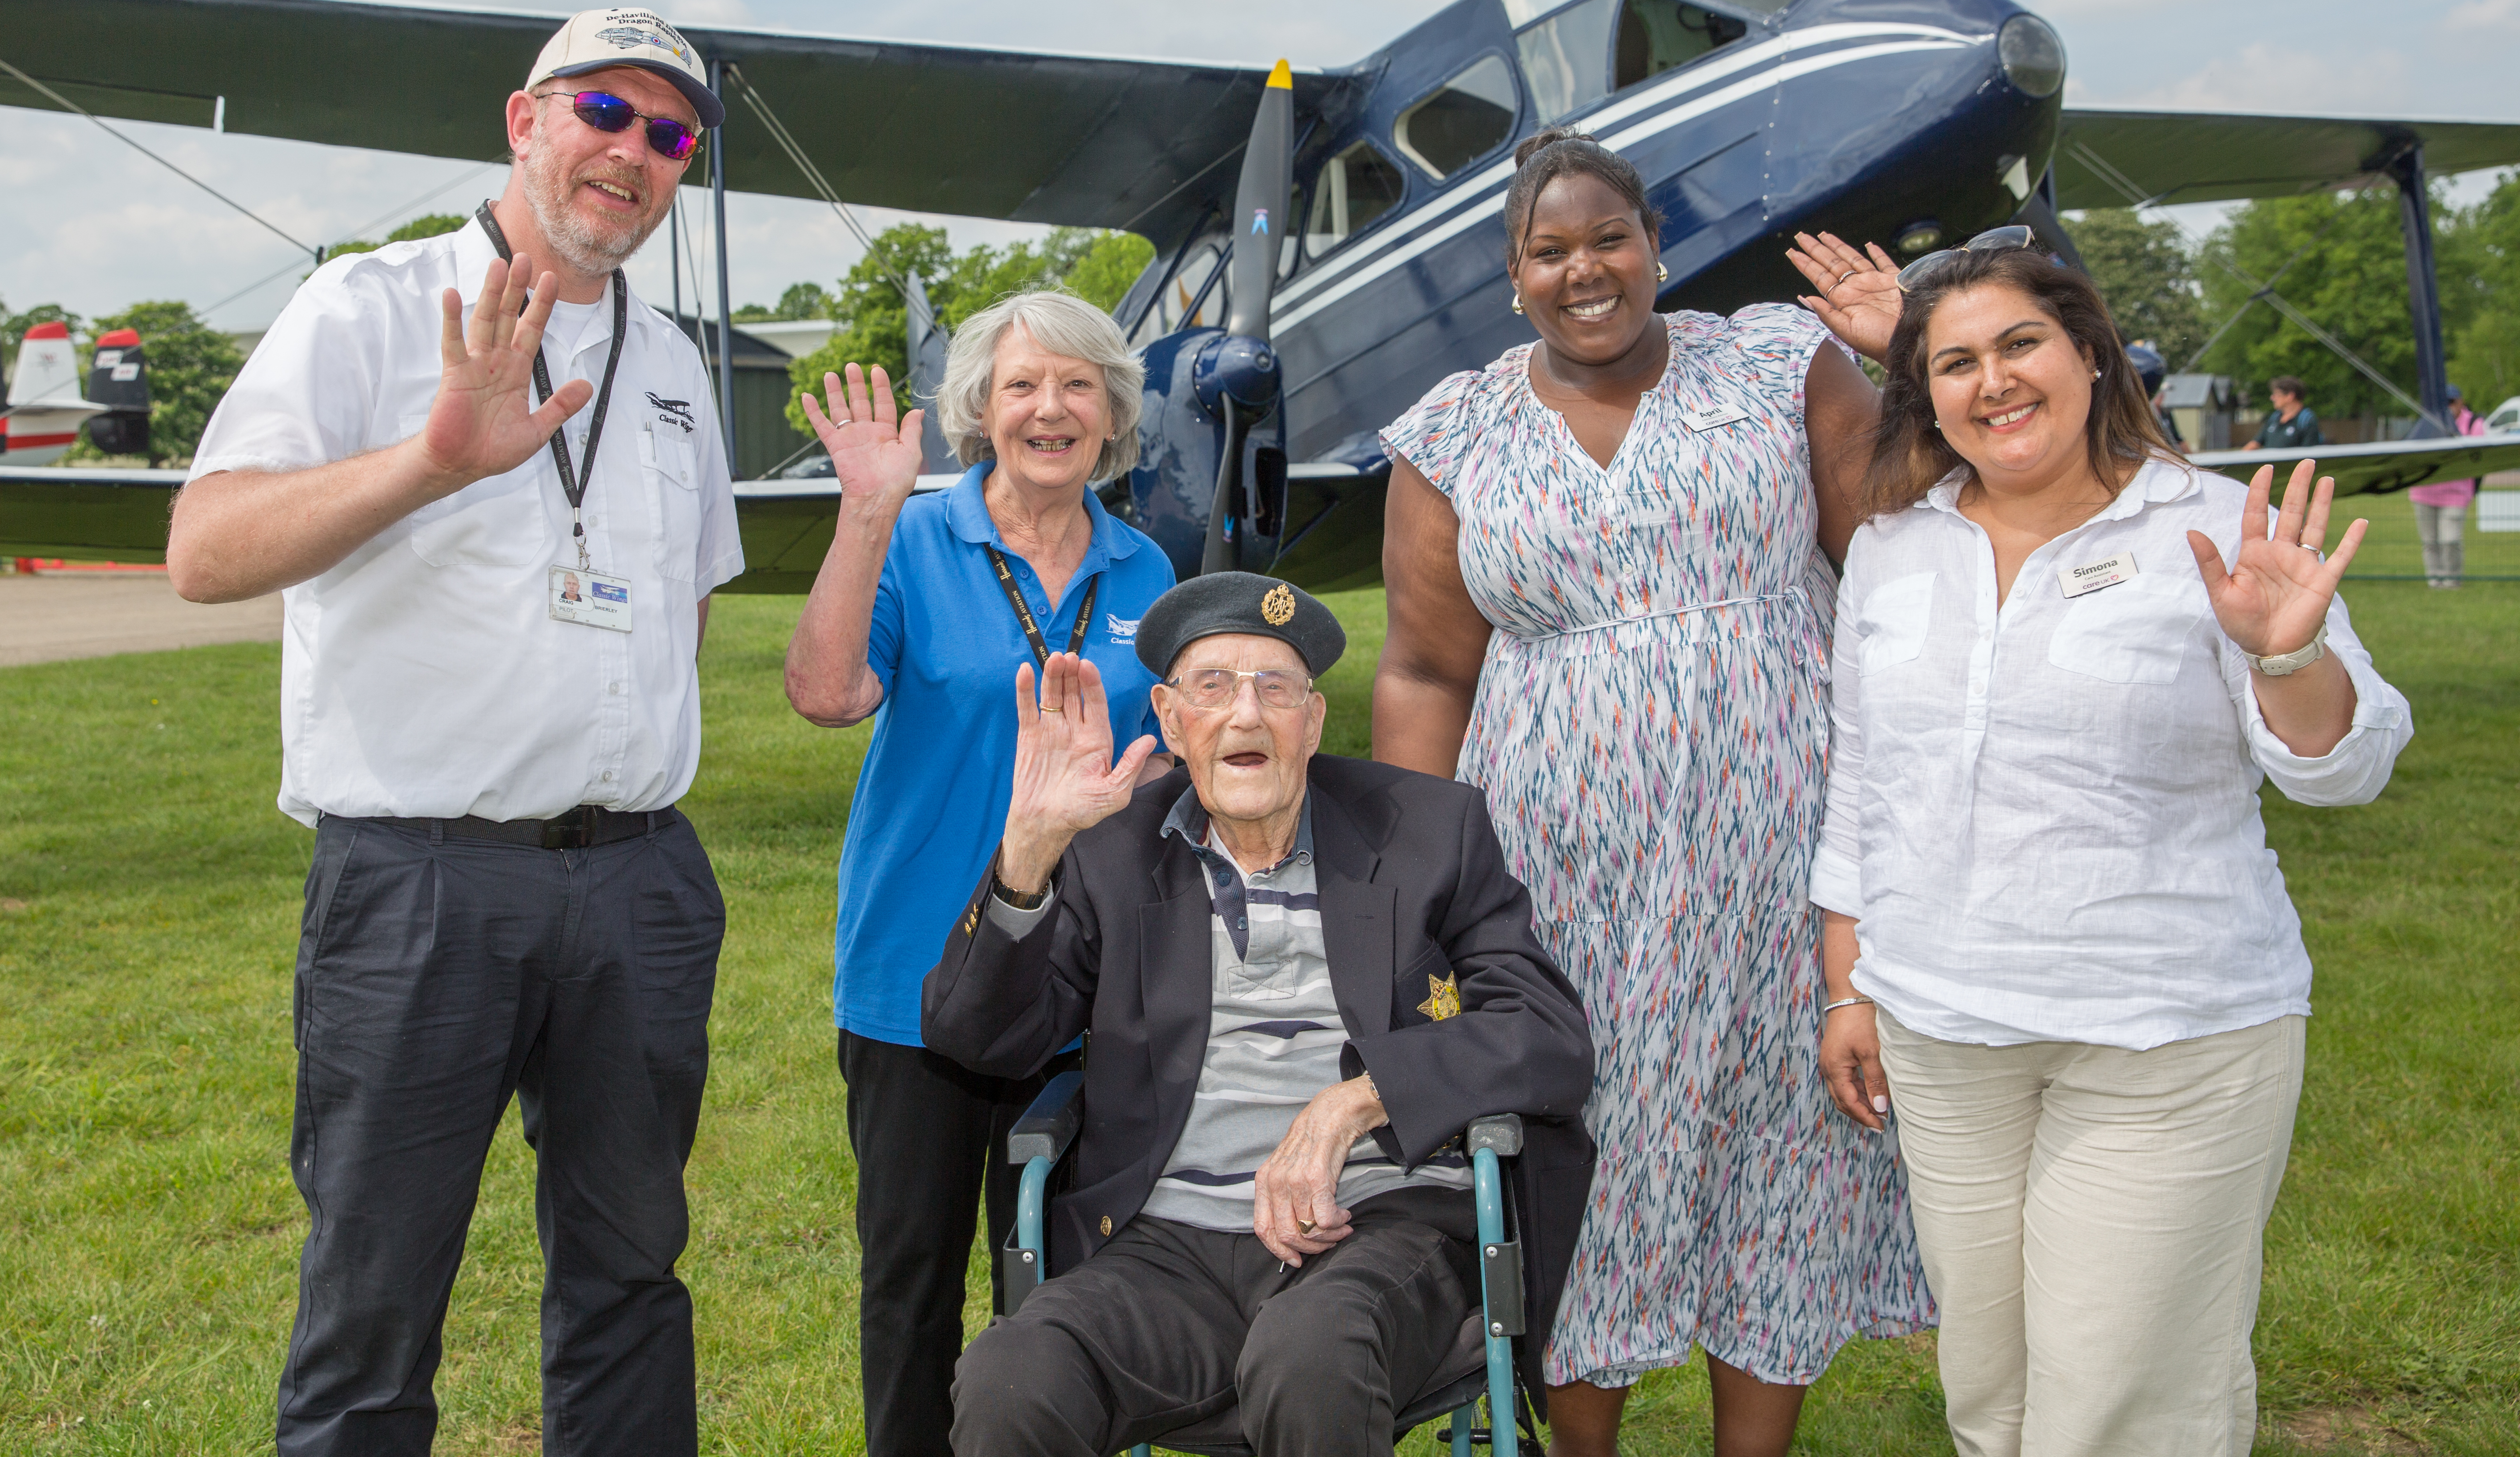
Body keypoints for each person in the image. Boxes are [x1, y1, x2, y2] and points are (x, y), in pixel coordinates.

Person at [167, 7, 742, 1456]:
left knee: (630, 1271)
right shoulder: (370, 304)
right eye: (601, 115)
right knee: (376, 1285)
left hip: (637, 877)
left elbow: (684, 610)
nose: (631, 153)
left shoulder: (672, 361)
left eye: (667, 135)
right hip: (421, 878)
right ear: (523, 120)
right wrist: (431, 455)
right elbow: (206, 548)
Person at [1793, 235, 2413, 1457]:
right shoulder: (1894, 546)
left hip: (2166, 1036)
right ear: (1927, 390)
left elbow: (2345, 765)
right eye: (1956, 359)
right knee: (1994, 1390)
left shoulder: (2211, 524)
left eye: (2020, 342)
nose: (1994, 380)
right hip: (1945, 1035)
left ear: (2088, 351)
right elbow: (1864, 783)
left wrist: (2287, 652)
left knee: (2122, 1406)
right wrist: (1848, 982)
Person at [1372, 128, 1933, 1457]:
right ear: (1513, 276)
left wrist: (1907, 350)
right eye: (1550, 250)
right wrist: (1413, 889)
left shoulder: (1775, 367)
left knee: (1784, 1131)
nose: (1585, 269)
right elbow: (1421, 669)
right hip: (1562, 870)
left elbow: (1905, 563)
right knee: (1588, 1141)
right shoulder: (1455, 431)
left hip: (1785, 852)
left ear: (1655, 244)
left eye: (1608, 237)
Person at [927, 574, 1597, 1457]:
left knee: (1310, 1355)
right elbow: (980, 1040)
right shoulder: (1112, 853)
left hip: (1377, 1228)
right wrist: (1028, 854)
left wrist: (1353, 1104)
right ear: (1170, 720)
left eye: (1274, 687)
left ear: (1312, 723)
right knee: (1014, 1377)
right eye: (1212, 686)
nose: (1245, 715)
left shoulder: (1429, 830)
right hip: (1166, 1245)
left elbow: (1550, 1034)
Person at [781, 292, 1176, 1457]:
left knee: (1055, 1283)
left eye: (1075, 386)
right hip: (914, 977)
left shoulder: (1145, 564)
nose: (1048, 409)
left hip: (1074, 990)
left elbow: (1159, 769)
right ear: (979, 413)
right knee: (911, 1288)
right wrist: (864, 515)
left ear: (1110, 414)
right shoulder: (912, 539)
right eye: (1020, 386)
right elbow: (824, 694)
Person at [2408, 385, 2487, 588]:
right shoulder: (2426, 424)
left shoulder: (2473, 424)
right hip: (2424, 492)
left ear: (2461, 402)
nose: (2449, 407)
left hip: (2456, 493)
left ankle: (2452, 580)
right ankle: (2435, 580)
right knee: (2430, 541)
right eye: (2445, 403)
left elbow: (2479, 458)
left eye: (2452, 402)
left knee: (2450, 540)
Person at [2242, 374, 2322, 449]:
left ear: (2290, 396)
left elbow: (2309, 454)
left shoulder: (2306, 420)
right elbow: (2255, 443)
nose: (2272, 398)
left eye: (2277, 395)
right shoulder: (2274, 418)